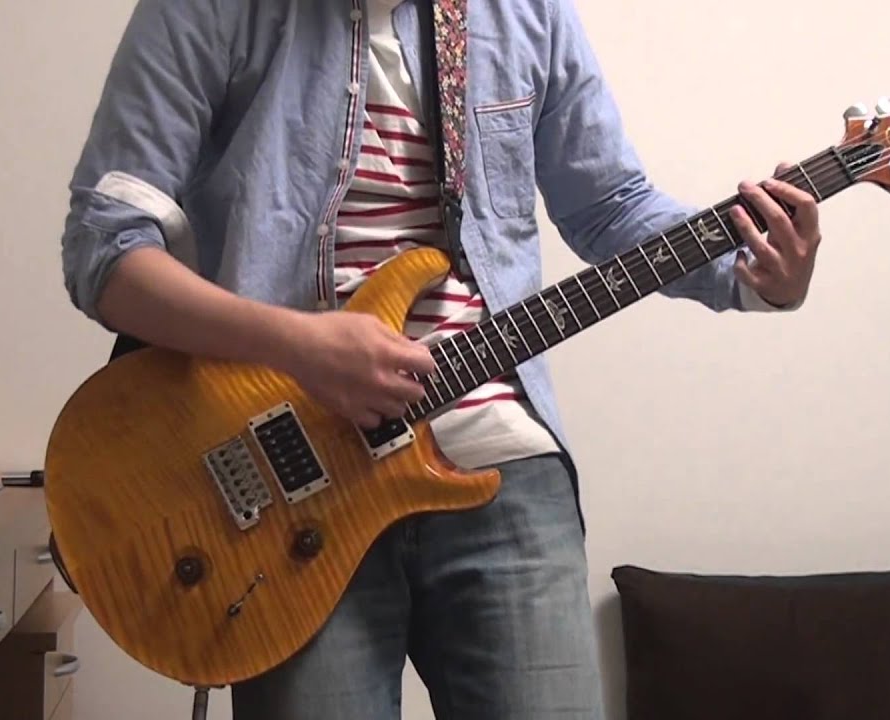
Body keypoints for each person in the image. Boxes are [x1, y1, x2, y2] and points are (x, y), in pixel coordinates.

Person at [59, 0, 824, 717]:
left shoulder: (523, 14)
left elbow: (612, 204)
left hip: (501, 464)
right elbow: (106, 248)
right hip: (285, 485)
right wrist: (297, 345)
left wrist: (751, 274)